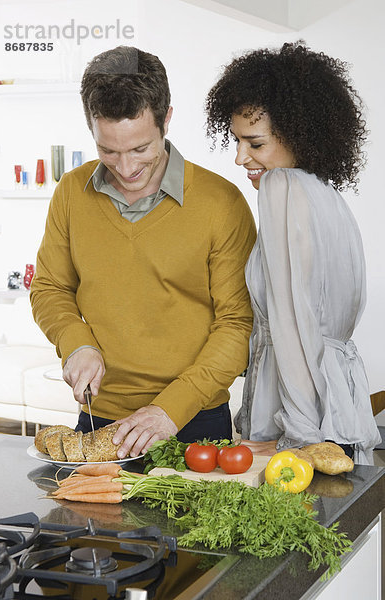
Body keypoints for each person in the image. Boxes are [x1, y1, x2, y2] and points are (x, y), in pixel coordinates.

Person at [30, 45, 256, 459]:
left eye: (140, 149)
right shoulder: (70, 193)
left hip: (194, 422)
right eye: (109, 150)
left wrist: (170, 410)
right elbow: (49, 288)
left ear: (166, 118)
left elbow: (238, 323)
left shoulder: (221, 203)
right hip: (99, 421)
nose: (126, 167)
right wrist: (76, 342)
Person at [205, 41, 381, 464]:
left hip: (297, 415)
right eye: (237, 141)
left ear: (297, 135)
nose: (239, 157)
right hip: (338, 408)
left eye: (255, 144)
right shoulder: (328, 197)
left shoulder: (281, 189)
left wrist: (298, 437)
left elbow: (292, 323)